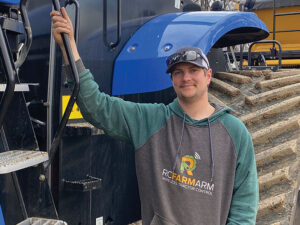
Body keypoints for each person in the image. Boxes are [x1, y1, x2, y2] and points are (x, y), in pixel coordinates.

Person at [51, 8, 258, 225]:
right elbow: (97, 106)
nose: (186, 77)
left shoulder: (235, 132)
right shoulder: (152, 121)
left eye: (193, 70)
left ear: (208, 76)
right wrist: (69, 47)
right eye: (178, 72)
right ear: (172, 80)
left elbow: (244, 207)